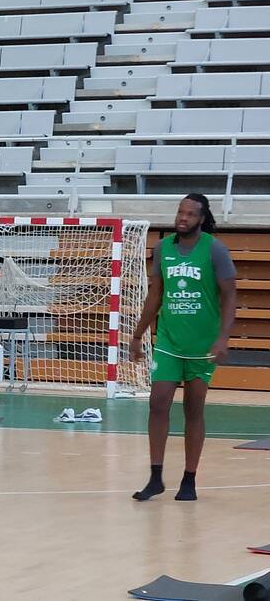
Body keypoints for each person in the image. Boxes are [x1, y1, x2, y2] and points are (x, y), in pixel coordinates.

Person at [130, 194, 236, 502]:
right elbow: (155, 296)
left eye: (190, 213)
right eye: (180, 211)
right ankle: (155, 477)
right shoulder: (163, 248)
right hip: (168, 342)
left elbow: (230, 294)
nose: (183, 217)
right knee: (158, 402)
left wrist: (223, 337)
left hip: (202, 344)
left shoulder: (214, 249)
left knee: (194, 408)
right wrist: (138, 335)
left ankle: (189, 479)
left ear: (201, 219)